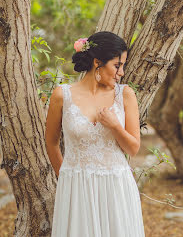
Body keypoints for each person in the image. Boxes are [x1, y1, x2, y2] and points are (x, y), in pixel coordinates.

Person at [45, 31, 145, 237]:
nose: (122, 72)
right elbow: (51, 143)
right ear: (98, 63)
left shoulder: (125, 95)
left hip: (116, 188)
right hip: (76, 188)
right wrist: (66, 177)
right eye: (117, 65)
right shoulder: (62, 95)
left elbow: (133, 149)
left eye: (123, 65)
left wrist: (115, 126)